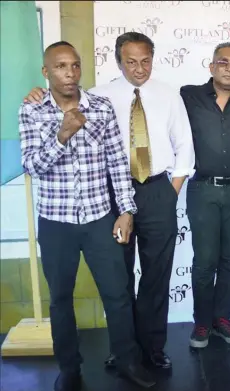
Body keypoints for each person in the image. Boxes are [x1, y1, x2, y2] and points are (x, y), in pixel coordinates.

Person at [24, 32, 195, 370]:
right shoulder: (98, 96)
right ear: (118, 62)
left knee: (156, 277)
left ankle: (153, 348)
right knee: (119, 280)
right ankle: (124, 348)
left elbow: (184, 145)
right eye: (130, 61)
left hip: (158, 187)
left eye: (145, 60)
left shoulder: (168, 94)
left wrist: (168, 193)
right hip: (112, 196)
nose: (139, 68)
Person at [19, 41, 155, 391]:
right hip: (56, 222)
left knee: (118, 293)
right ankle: (70, 368)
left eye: (75, 65)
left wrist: (125, 211)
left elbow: (116, 162)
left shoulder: (101, 106)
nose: (70, 73)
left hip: (99, 218)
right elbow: (32, 165)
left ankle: (128, 362)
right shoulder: (31, 111)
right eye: (61, 66)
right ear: (46, 72)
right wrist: (62, 135)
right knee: (61, 300)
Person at [179, 42, 230, 349]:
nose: (228, 67)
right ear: (211, 67)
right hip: (202, 188)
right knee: (204, 260)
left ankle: (222, 318)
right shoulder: (189, 96)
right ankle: (201, 321)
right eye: (222, 62)